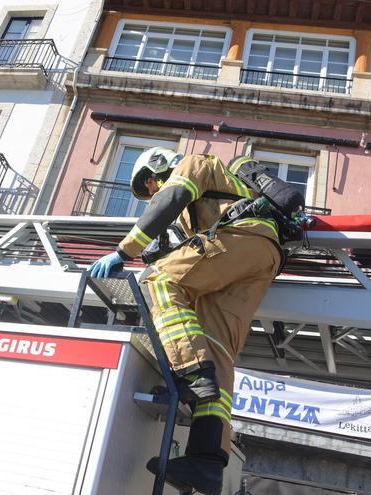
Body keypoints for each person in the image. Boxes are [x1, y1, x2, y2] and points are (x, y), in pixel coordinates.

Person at [88, 148, 287, 495]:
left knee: (157, 280)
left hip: (243, 237)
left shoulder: (193, 164)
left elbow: (172, 197)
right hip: (263, 256)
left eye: (149, 184)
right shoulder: (212, 196)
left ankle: (192, 372)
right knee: (218, 351)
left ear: (158, 167)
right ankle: (207, 459)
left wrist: (124, 252)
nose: (152, 192)